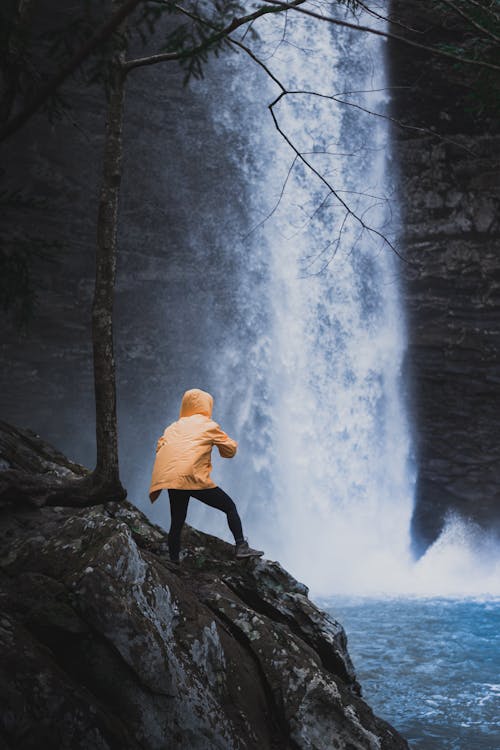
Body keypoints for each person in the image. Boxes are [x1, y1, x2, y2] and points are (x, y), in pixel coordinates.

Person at [149, 388, 264, 563]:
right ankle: (241, 546)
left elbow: (160, 446)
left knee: (177, 521)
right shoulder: (208, 425)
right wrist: (228, 444)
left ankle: (173, 562)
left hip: (171, 478)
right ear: (206, 405)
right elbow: (230, 450)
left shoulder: (173, 427)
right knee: (229, 507)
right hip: (193, 477)